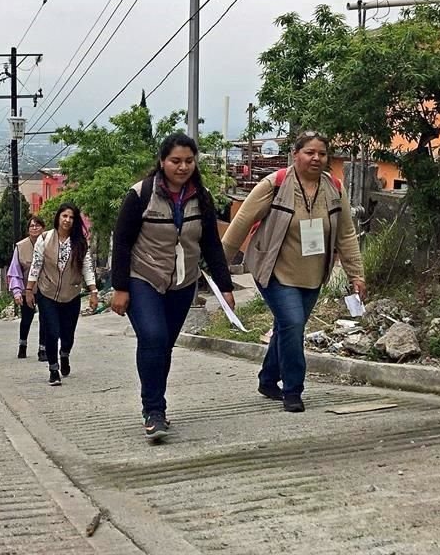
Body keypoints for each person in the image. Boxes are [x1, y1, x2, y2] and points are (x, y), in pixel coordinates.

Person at [222, 131, 366, 413]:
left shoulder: (334, 188)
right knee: (293, 324)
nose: (316, 158)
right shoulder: (274, 184)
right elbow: (241, 223)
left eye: (321, 154)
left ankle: (267, 379)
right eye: (309, 152)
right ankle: (293, 390)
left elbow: (346, 235)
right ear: (295, 154)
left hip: (313, 273)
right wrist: (219, 268)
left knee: (287, 327)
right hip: (274, 270)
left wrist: (356, 274)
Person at [111, 133, 236, 442]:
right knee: (152, 337)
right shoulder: (140, 194)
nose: (182, 167)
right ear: (162, 161)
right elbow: (122, 242)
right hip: (144, 278)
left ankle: (156, 406)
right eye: (175, 161)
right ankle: (153, 410)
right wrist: (120, 287)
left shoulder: (201, 196)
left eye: (189, 161)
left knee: (163, 345)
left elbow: (210, 244)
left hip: (182, 282)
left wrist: (225, 286)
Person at [25, 202, 99, 386]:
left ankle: (64, 354)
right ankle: (53, 369)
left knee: (67, 334)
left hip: (71, 294)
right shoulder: (45, 238)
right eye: (64, 216)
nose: (67, 220)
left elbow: (87, 267)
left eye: (71, 217)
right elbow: (36, 265)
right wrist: (29, 289)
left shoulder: (79, 242)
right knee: (52, 331)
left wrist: (93, 291)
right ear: (58, 217)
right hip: (47, 292)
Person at [7, 215, 46, 359]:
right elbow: (14, 271)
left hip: (46, 289)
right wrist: (17, 292)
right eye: (32, 226)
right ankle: (22, 344)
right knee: (26, 319)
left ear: (43, 228)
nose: (34, 228)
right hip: (27, 290)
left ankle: (43, 349)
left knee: (46, 319)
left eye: (37, 225)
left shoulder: (49, 243)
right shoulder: (20, 247)